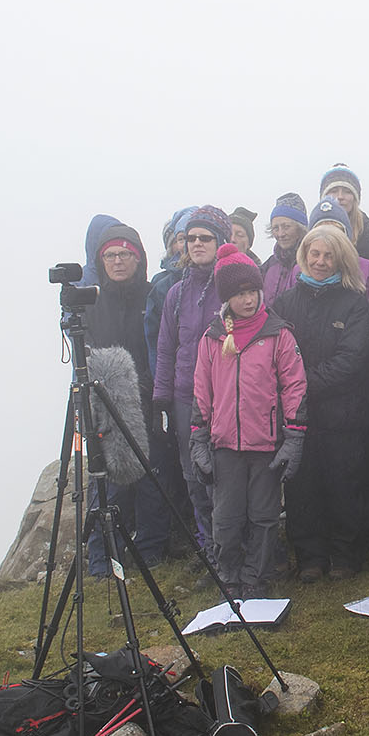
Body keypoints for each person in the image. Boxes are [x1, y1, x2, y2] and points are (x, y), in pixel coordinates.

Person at [191, 245, 307, 601]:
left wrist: (294, 437)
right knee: (225, 518)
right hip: (224, 446)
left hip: (266, 447)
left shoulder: (279, 334)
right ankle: (229, 576)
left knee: (263, 516)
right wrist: (198, 438)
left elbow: (295, 385)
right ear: (227, 298)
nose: (247, 300)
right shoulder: (212, 339)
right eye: (239, 294)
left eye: (251, 292)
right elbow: (201, 390)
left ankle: (257, 577)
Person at [271, 224, 369, 580]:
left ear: (341, 259)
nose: (320, 261)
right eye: (314, 254)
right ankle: (310, 557)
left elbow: (352, 359)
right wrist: (294, 390)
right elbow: (274, 353)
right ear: (304, 255)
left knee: (344, 483)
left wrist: (302, 384)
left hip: (342, 413)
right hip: (298, 418)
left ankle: (345, 556)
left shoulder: (354, 304)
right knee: (301, 487)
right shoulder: (285, 302)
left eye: (328, 255)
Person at [153, 206, 232, 552]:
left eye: (205, 238)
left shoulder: (234, 287)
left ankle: (234, 551)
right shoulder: (175, 293)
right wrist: (161, 398)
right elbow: (166, 348)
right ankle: (211, 552)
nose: (196, 244)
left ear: (221, 242)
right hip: (186, 397)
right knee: (194, 479)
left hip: (227, 396)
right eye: (190, 238)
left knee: (226, 479)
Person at [81, 216, 154, 574]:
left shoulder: (154, 295)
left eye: (126, 254)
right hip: (106, 405)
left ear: (139, 258)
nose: (118, 261)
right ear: (100, 262)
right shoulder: (91, 304)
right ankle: (102, 558)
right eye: (110, 255)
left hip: (151, 399)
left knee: (155, 479)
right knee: (107, 484)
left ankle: (152, 553)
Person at [142, 207, 197, 560]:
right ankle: (196, 539)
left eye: (193, 237)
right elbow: (159, 346)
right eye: (181, 238)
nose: (187, 245)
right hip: (179, 391)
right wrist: (162, 394)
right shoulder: (164, 288)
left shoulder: (221, 278)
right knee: (187, 466)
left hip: (214, 392)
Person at [307, 197, 369, 292]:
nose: (328, 237)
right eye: (320, 231)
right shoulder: (299, 271)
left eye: (335, 230)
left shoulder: (367, 269)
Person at [319, 165, 369, 261]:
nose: (340, 196)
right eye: (334, 191)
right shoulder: (312, 233)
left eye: (347, 192)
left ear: (355, 198)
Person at [263, 194, 309, 307]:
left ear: (300, 227)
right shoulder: (269, 265)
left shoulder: (312, 261)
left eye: (286, 227)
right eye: (275, 228)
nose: (280, 234)